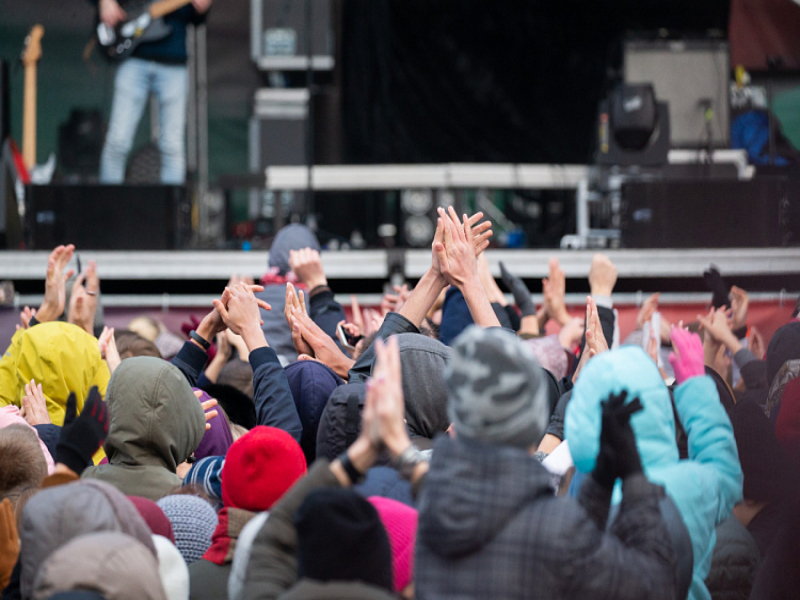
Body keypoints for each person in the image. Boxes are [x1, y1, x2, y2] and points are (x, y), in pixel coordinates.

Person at [95, 0, 212, 183]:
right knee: (117, 142)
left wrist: (202, 9)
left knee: (172, 146)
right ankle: (109, 209)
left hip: (173, 61)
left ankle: (171, 210)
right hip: (132, 58)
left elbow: (195, 19)